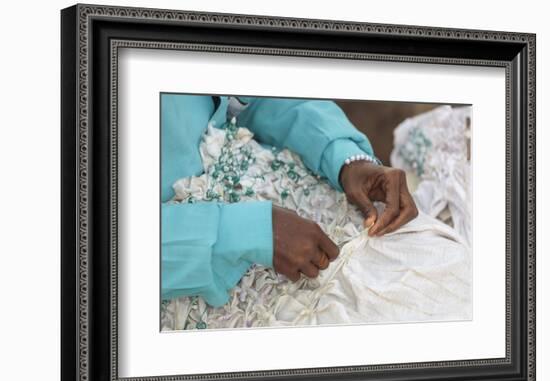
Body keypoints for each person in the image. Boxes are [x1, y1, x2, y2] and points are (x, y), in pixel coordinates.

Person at [161, 95, 418, 307]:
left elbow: (261, 93)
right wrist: (246, 233)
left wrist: (345, 158)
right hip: (183, 266)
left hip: (263, 174)